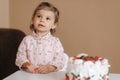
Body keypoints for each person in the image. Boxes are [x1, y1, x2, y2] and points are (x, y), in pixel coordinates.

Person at [15, 2, 66, 74]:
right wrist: (27, 65)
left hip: (49, 75)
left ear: (54, 25)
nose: (42, 20)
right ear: (33, 20)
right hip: (29, 75)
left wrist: (50, 67)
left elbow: (60, 59)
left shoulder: (55, 42)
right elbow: (20, 57)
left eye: (47, 18)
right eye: (39, 16)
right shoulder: (27, 40)